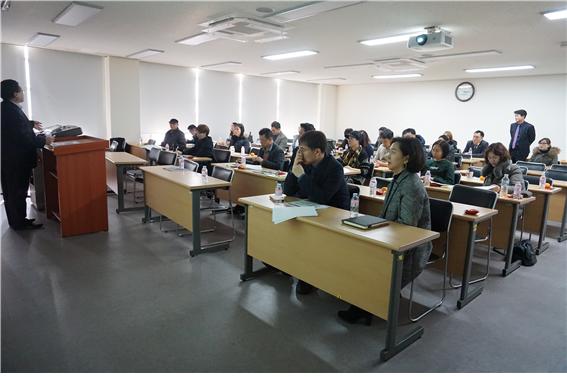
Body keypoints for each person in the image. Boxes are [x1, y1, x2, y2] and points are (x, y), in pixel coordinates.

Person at [337, 137, 432, 325]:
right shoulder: (397, 178)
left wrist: (376, 229)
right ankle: (366, 302)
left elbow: (406, 227)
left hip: (410, 250)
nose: (387, 155)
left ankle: (364, 307)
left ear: (406, 158)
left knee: (368, 261)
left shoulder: (411, 184)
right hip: (390, 237)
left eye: (394, 152)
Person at [284, 130, 350, 294]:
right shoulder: (306, 163)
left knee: (306, 237)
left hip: (334, 217)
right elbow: (288, 191)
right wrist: (294, 169)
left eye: (303, 150)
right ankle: (283, 263)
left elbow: (321, 198)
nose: (300, 153)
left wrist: (301, 177)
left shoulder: (335, 168)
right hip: (312, 211)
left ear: (318, 152)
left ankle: (310, 276)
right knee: (285, 226)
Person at [1, 79, 54, 230]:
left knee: (12, 192)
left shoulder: (6, 108)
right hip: (16, 161)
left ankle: (16, 220)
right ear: (14, 94)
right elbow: (23, 137)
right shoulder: (11, 111)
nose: (23, 93)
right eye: (21, 90)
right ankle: (19, 223)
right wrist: (45, 140)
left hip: (9, 159)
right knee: (17, 192)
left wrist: (30, 124)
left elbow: (15, 128)